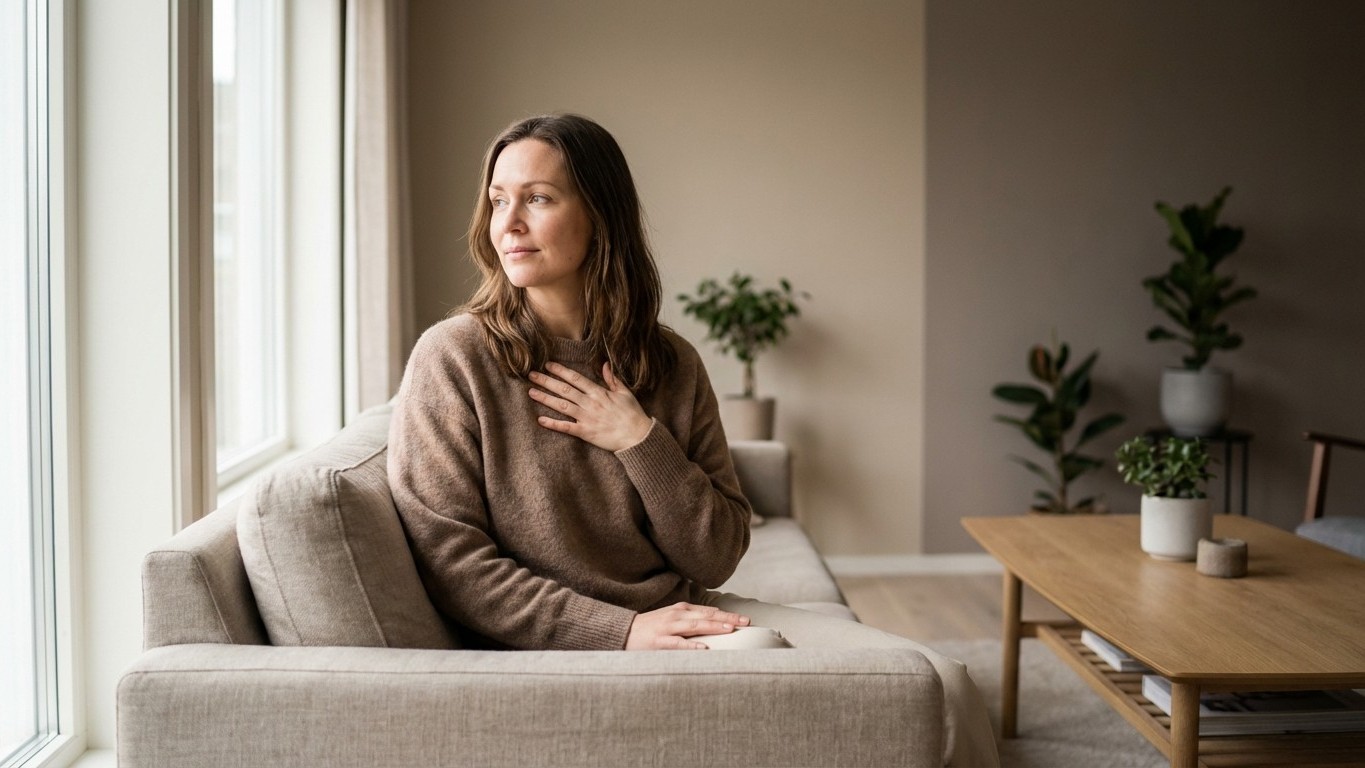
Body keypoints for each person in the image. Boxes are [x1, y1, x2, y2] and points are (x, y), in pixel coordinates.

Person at [387, 114, 999, 767]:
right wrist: (621, 631)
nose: (506, 223)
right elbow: (451, 564)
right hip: (563, 645)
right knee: (800, 673)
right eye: (497, 199)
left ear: (599, 215)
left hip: (681, 612)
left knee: (942, 682)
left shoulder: (668, 362)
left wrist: (639, 441)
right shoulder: (454, 359)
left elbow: (715, 556)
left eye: (536, 198)